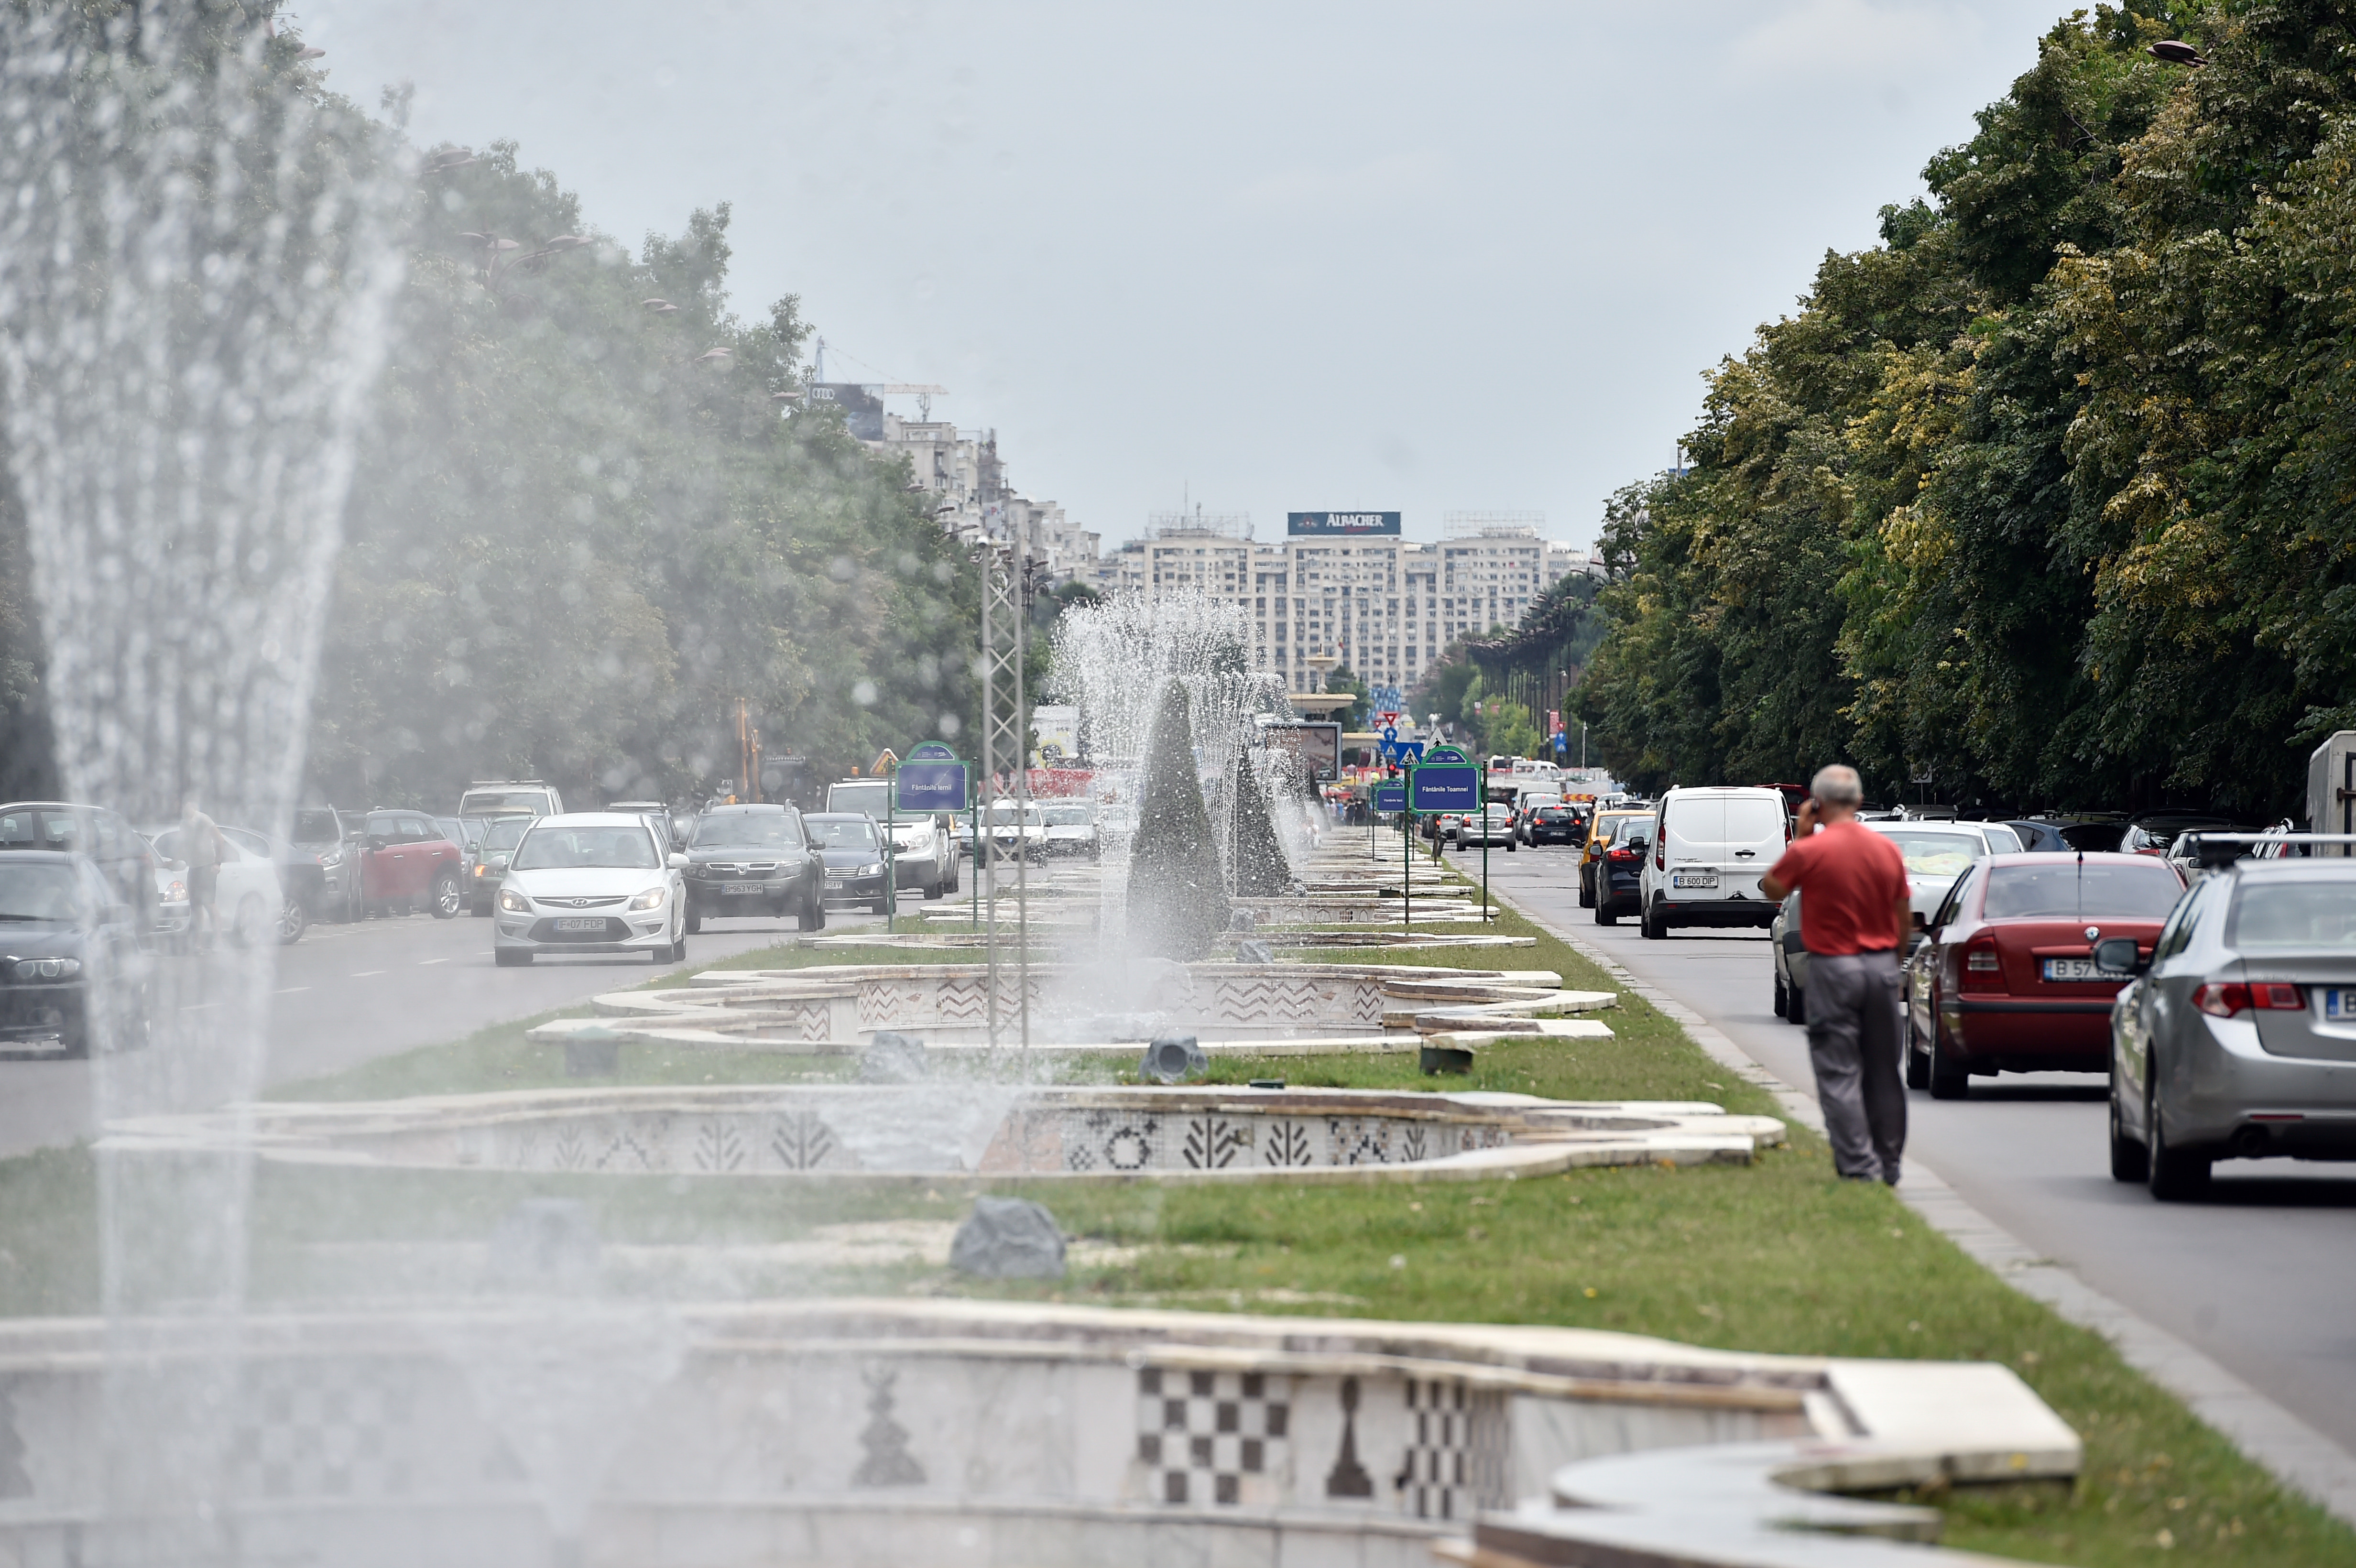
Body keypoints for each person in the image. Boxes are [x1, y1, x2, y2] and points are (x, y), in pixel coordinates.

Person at [1759, 764, 1911, 1184]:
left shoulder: (1812, 852)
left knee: (1838, 1070)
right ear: (1860, 803)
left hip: (1833, 969)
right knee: (1884, 1071)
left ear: (1817, 804)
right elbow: (1903, 918)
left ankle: (1859, 1167)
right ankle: (1890, 1163)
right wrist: (1892, 968)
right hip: (1881, 968)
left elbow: (1771, 888)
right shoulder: (1886, 851)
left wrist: (1804, 836)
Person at [178, 799, 230, 949]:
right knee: (195, 907)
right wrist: (173, 861)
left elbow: (219, 840)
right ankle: (198, 943)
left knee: (209, 904)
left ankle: (219, 941)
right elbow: (182, 846)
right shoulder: (183, 824)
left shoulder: (203, 819)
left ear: (191, 805)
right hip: (193, 868)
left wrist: (217, 863)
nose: (183, 808)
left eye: (184, 804)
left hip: (207, 867)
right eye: (180, 806)